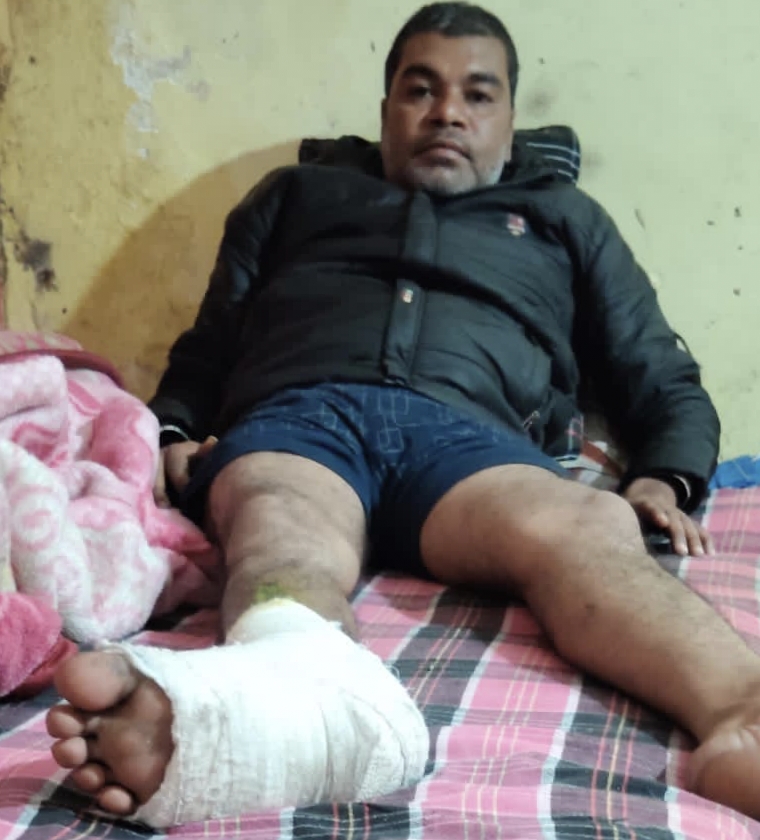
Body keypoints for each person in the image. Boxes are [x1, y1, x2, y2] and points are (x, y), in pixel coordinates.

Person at [45, 1, 760, 828]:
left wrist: (665, 475)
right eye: (421, 90)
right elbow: (211, 344)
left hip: (474, 444)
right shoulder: (295, 196)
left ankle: (742, 715)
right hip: (300, 420)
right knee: (278, 522)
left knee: (587, 527)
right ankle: (293, 701)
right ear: (387, 109)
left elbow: (658, 369)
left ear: (510, 120)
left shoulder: (566, 219)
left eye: (477, 95)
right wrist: (171, 428)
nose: (448, 112)